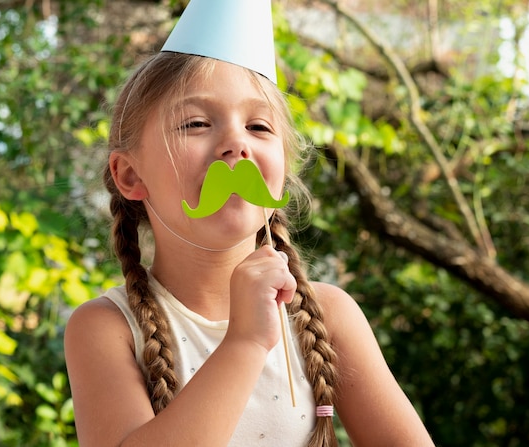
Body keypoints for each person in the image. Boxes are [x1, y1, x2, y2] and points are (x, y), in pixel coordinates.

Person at [64, 1, 436, 446]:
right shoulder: (106, 328)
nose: (236, 144)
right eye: (197, 123)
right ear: (130, 174)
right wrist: (244, 343)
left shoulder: (329, 317)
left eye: (259, 127)